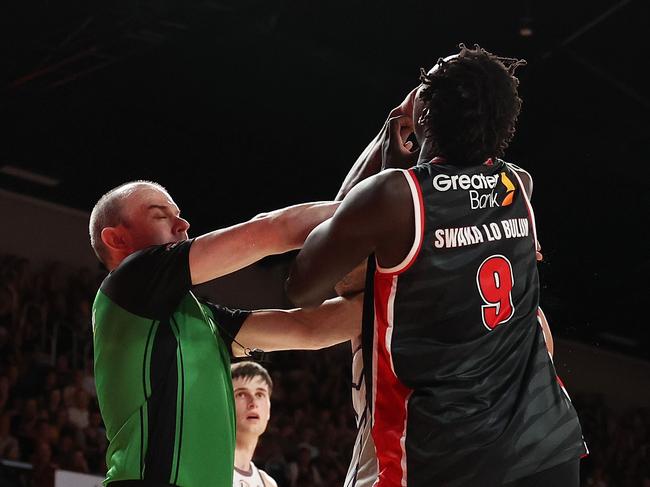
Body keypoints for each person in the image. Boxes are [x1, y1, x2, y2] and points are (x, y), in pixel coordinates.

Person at [286, 44, 587, 486]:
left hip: (449, 458)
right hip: (546, 445)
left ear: (424, 113)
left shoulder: (391, 198)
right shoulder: (518, 186)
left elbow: (302, 288)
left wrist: (390, 137)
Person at [89, 181, 362, 487]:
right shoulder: (129, 281)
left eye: (178, 213)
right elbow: (271, 230)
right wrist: (379, 211)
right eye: (160, 215)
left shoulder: (199, 316)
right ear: (116, 238)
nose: (183, 223)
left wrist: (404, 290)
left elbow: (309, 329)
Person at [231, 361, 277, 487]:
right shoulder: (206, 469)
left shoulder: (268, 483)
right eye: (241, 394)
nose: (253, 403)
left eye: (259, 394)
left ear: (268, 409)